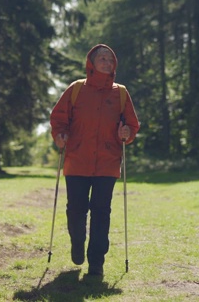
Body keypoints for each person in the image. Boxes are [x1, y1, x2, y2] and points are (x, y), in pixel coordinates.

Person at [50, 44, 140, 276]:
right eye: (102, 58)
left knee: (102, 211)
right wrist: (60, 134)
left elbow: (131, 124)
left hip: (108, 162)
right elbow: (59, 117)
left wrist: (126, 133)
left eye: (111, 59)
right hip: (77, 159)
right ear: (91, 62)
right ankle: (77, 242)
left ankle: (97, 262)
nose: (107, 62)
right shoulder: (76, 89)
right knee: (76, 209)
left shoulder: (120, 92)